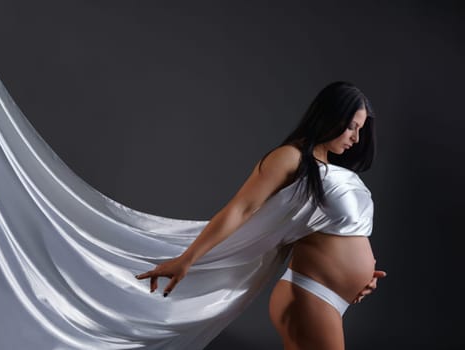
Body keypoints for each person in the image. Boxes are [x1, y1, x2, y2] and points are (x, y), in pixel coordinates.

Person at [136, 81, 386, 349]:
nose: (356, 139)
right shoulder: (291, 158)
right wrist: (187, 259)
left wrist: (361, 277)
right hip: (310, 297)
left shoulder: (332, 171)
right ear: (331, 116)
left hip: (330, 299)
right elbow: (241, 209)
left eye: (359, 130)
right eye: (351, 127)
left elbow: (344, 232)